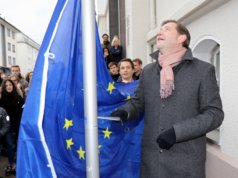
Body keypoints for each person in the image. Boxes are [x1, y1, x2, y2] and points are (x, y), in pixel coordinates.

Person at [111, 20, 224, 178]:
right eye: (160, 29)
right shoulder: (148, 71)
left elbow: (214, 114)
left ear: (181, 38)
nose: (159, 32)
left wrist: (177, 132)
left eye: (167, 29)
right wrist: (125, 112)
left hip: (185, 165)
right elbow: (137, 103)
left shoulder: (203, 71)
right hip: (152, 164)